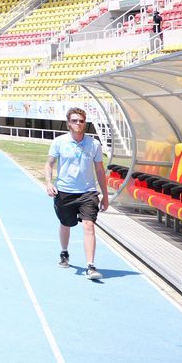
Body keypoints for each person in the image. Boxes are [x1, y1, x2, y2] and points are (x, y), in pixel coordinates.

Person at [45, 107, 110, 280]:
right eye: (74, 120)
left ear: (85, 123)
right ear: (68, 123)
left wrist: (105, 195)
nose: (78, 123)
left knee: (89, 225)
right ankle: (64, 252)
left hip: (88, 193)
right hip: (64, 191)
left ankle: (90, 265)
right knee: (66, 224)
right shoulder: (59, 142)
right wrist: (49, 183)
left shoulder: (94, 144)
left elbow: (100, 170)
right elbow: (49, 164)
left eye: (81, 120)